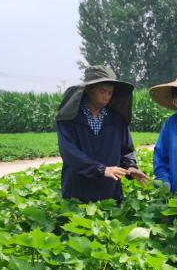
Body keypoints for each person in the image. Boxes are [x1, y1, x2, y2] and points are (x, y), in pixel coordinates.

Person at [56, 65, 149, 204]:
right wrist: (101, 169)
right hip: (77, 193)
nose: (106, 97)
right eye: (102, 91)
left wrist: (131, 167)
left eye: (110, 93)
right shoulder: (70, 119)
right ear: (88, 90)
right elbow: (69, 152)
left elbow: (126, 150)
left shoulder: (117, 120)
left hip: (110, 193)